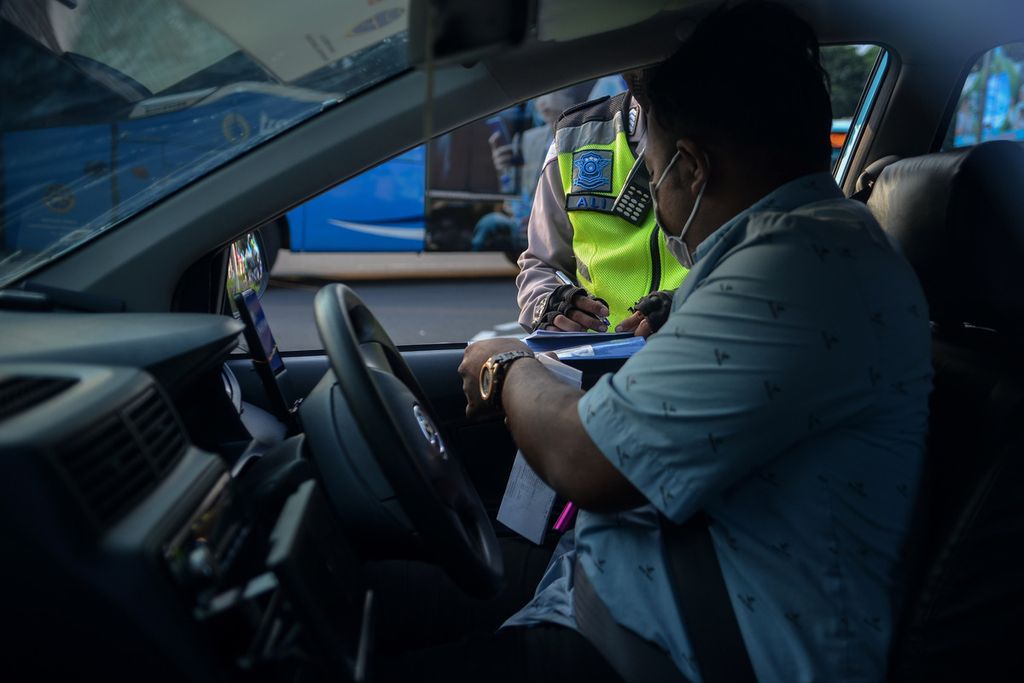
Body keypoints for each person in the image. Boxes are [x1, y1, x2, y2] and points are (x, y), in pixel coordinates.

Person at [441, 3, 933, 681]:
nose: (644, 168)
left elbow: (586, 460)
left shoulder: (795, 268)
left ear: (691, 168)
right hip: (625, 610)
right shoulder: (782, 250)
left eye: (652, 156)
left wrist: (506, 364)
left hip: (680, 651)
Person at [516, 70, 689, 333]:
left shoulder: (746, 137)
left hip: (694, 349)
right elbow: (541, 264)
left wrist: (692, 309)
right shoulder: (573, 137)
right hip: (593, 358)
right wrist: (549, 305)